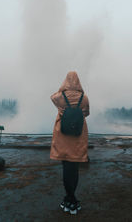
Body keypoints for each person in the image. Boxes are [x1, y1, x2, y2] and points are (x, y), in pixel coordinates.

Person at [50, 71, 90, 215]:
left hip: (63, 137)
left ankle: (69, 200)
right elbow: (86, 113)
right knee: (74, 168)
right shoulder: (84, 98)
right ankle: (72, 201)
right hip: (78, 136)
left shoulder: (60, 97)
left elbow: (52, 97)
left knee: (66, 168)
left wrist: (62, 89)